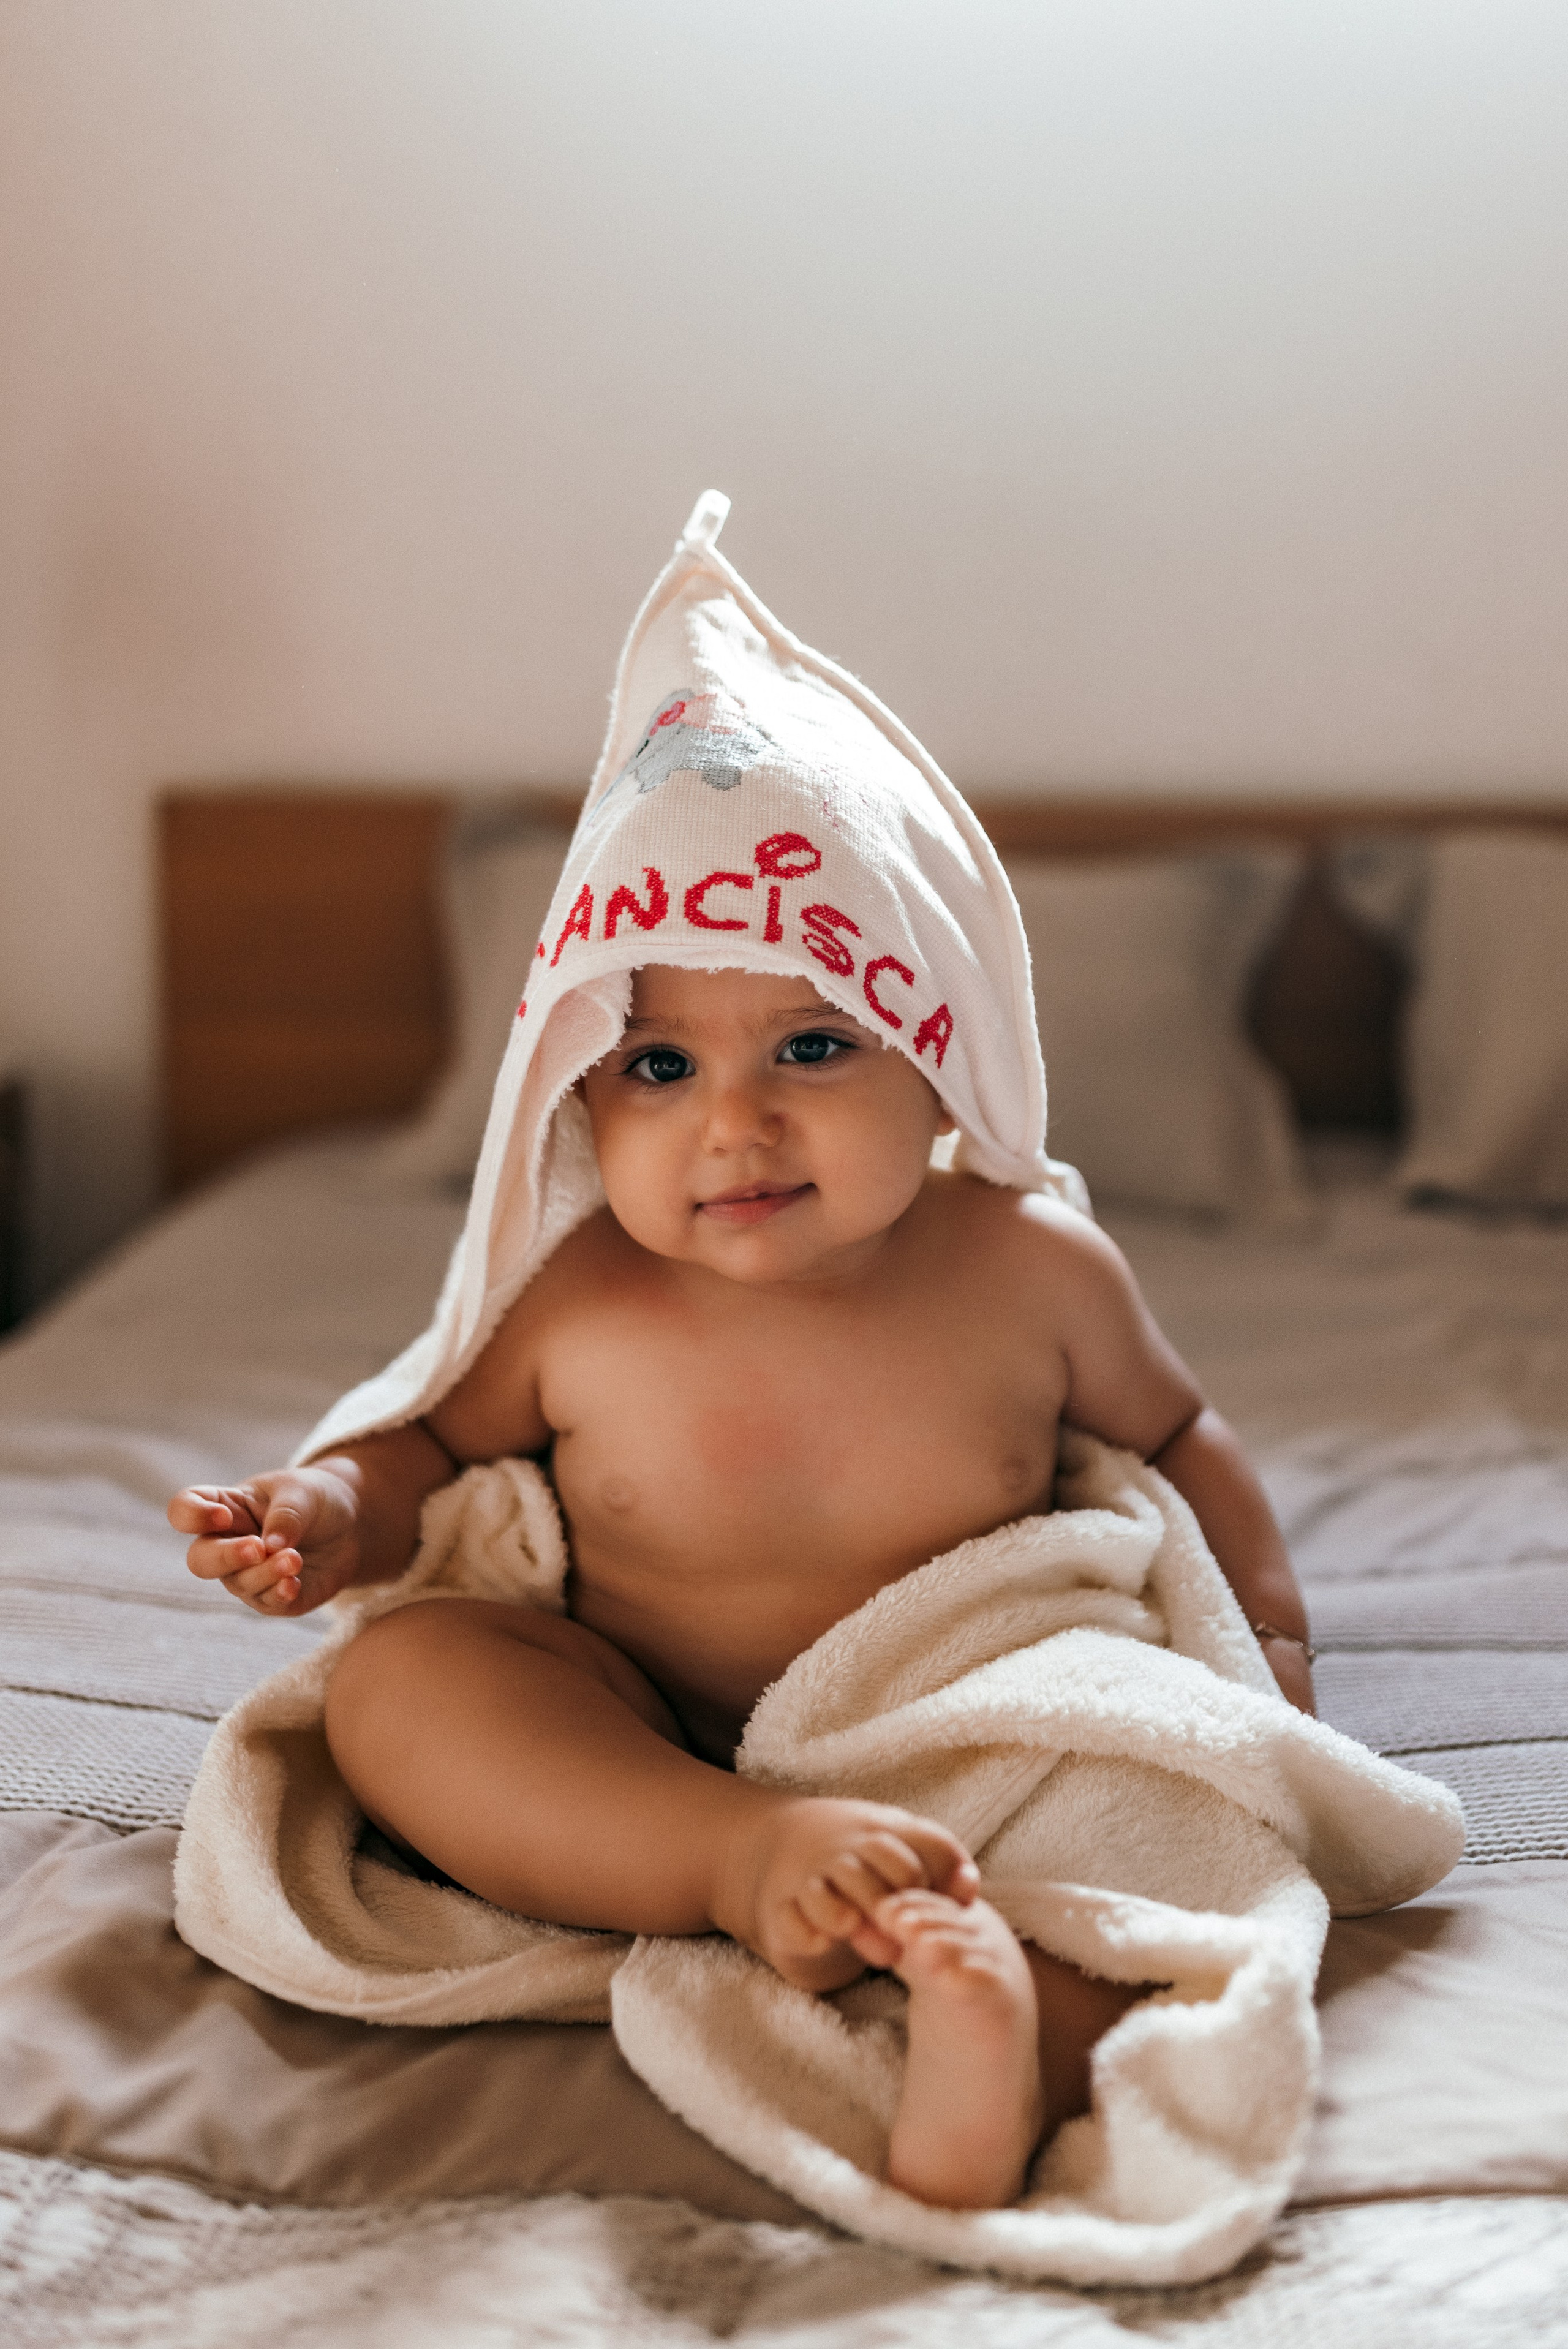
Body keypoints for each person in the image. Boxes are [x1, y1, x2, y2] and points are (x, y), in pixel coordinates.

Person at [168, 490, 1316, 2212]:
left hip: (966, 1726)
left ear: (939, 1056)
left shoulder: (1032, 1269)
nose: (737, 1121)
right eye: (660, 1067)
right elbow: (427, 1452)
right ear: (578, 1094)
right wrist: (332, 1509)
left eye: (812, 1043)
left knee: (1160, 1823)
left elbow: (1179, 1441)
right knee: (407, 1685)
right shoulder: (576, 1295)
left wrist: (1267, 1644)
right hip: (643, 1739)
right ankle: (739, 1859)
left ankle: (1010, 2020)